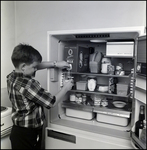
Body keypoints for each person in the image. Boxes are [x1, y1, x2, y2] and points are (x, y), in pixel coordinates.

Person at [6, 43, 74, 149]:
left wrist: (55, 64)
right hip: (28, 134)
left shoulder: (12, 76)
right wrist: (66, 87)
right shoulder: (29, 84)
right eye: (34, 67)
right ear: (23, 66)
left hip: (18, 131)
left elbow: (33, 66)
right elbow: (51, 102)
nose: (36, 69)